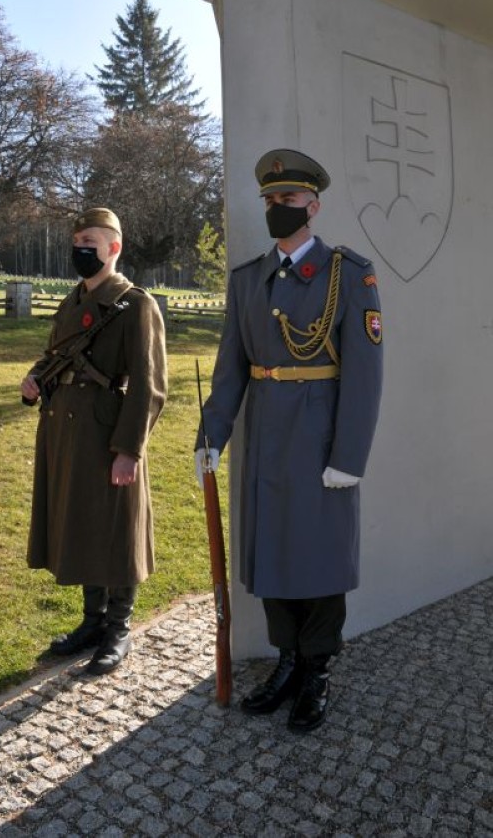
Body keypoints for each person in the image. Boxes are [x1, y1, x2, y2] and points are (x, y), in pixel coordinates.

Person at [194, 149, 383, 732]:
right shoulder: (247, 279)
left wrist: (349, 457)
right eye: (272, 199)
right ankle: (287, 661)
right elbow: (231, 368)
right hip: (266, 437)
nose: (280, 207)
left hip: (321, 436)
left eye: (290, 199)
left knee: (319, 556)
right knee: (273, 550)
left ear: (313, 206)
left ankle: (317, 671)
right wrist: (212, 434)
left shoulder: (348, 274)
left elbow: (366, 374)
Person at [21, 207, 167, 676]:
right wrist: (34, 378)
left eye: (92, 242)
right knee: (84, 522)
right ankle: (93, 621)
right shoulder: (73, 300)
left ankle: (118, 628)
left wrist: (129, 449)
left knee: (116, 528)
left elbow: (149, 385)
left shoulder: (135, 304)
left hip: (108, 432)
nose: (81, 249)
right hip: (67, 430)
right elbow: (56, 354)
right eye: (78, 241)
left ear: (114, 248)